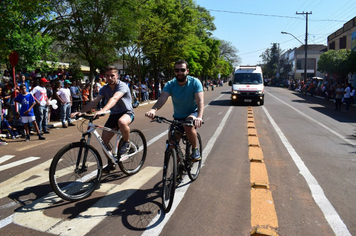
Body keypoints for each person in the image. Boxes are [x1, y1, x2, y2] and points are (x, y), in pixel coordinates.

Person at [71, 66, 134, 173]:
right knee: (104, 142)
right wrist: (81, 112)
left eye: (112, 75)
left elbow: (114, 98)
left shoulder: (122, 86)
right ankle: (111, 163)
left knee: (122, 122)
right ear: (104, 76)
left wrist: (102, 110)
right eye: (107, 76)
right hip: (114, 114)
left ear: (117, 76)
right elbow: (95, 101)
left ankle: (126, 142)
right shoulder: (105, 88)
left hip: (126, 113)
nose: (110, 78)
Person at [145, 59, 204, 161]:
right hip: (178, 116)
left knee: (188, 125)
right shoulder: (170, 84)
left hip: (192, 113)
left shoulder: (195, 82)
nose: (179, 72)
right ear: (174, 72)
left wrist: (199, 117)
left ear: (187, 71)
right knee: (172, 143)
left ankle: (195, 149)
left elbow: (200, 101)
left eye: (182, 70)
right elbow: (162, 99)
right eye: (177, 70)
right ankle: (178, 167)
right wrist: (153, 110)